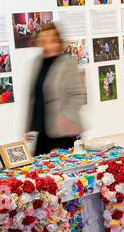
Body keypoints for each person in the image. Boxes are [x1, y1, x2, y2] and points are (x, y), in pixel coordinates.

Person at [24, 22, 85, 156]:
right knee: (39, 169)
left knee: (65, 170)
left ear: (58, 42)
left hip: (64, 130)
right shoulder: (37, 62)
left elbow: (78, 95)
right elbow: (33, 97)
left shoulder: (67, 63)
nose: (47, 44)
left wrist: (66, 116)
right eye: (44, 40)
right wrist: (28, 127)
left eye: (51, 40)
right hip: (42, 130)